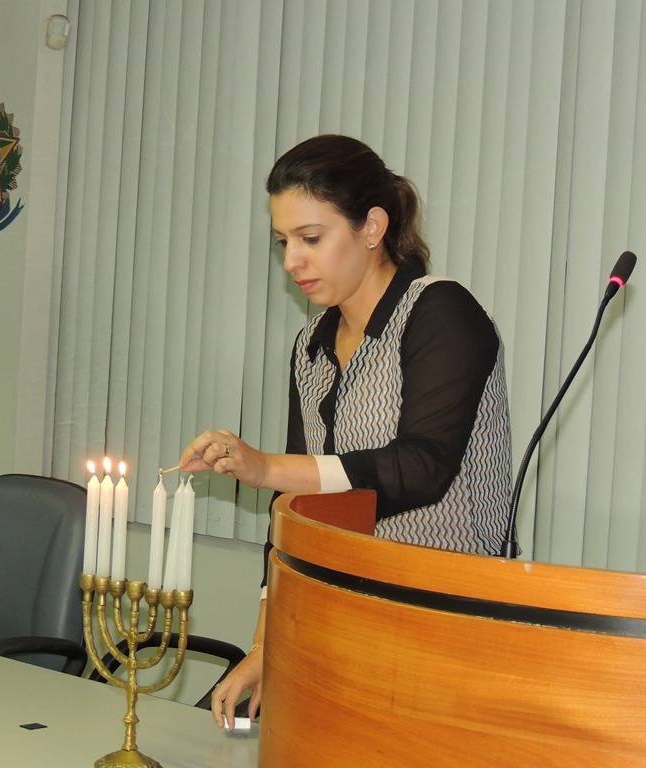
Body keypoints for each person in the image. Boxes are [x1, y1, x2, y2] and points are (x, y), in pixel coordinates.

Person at [179, 134, 512, 730]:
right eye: (283, 242)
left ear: (373, 227)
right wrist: (265, 644)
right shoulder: (310, 345)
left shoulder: (440, 311)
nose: (292, 262)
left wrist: (267, 467)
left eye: (310, 238)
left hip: (449, 633)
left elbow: (422, 468)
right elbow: (296, 511)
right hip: (342, 626)